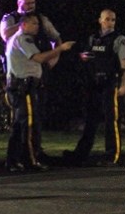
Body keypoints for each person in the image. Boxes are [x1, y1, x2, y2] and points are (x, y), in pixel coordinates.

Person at [5, 14, 75, 172]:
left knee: (19, 125)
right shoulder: (23, 39)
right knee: (27, 126)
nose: (37, 26)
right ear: (23, 25)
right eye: (34, 23)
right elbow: (39, 58)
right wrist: (60, 49)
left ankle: (13, 161)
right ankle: (30, 161)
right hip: (24, 89)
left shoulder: (18, 39)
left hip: (20, 88)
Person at [64, 9, 125, 166]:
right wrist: (83, 56)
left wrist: (123, 84)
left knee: (111, 119)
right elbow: (87, 56)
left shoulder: (120, 40)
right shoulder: (93, 39)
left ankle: (111, 154)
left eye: (113, 20)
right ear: (100, 20)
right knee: (90, 119)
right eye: (107, 19)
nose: (110, 23)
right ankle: (81, 153)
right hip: (94, 83)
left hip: (110, 83)